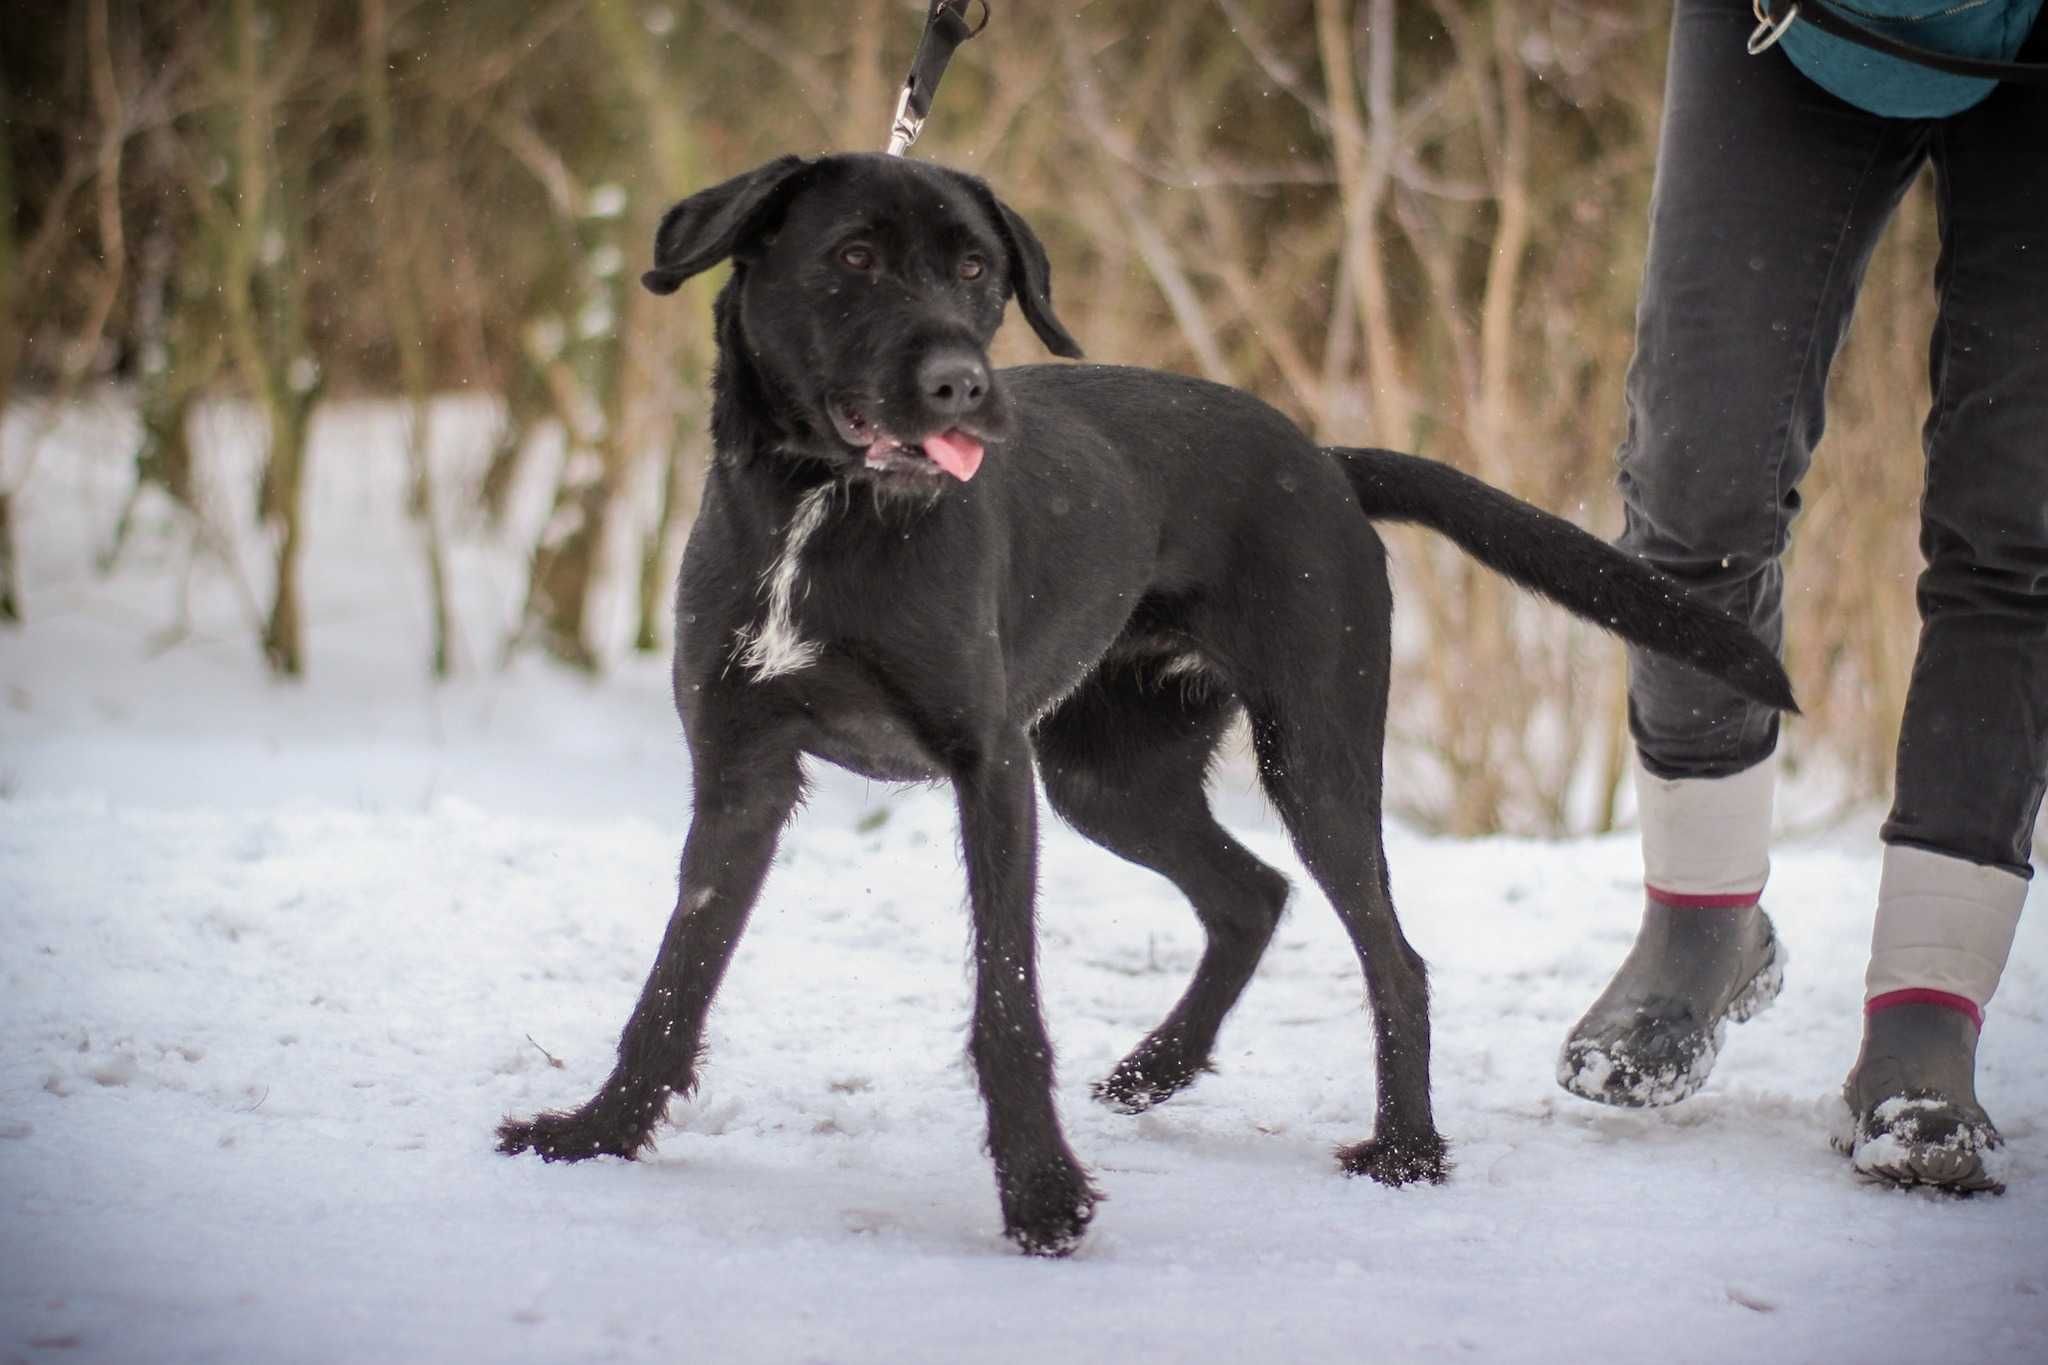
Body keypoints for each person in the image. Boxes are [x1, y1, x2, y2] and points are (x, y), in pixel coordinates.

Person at [1555, 0, 2045, 1195]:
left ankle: (1925, 1015)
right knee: (1694, 477)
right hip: (1793, 24)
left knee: (2019, 525)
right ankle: (1698, 924)